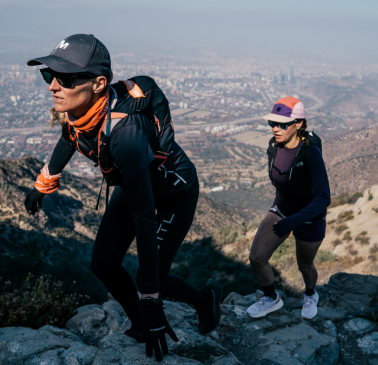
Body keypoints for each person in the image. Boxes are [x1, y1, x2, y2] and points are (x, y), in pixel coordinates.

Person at [23, 34, 222, 362]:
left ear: (99, 84)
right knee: (103, 262)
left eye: (65, 78)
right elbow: (68, 141)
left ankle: (205, 299)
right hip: (135, 184)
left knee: (151, 275)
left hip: (175, 191)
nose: (53, 86)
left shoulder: (125, 135)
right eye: (49, 74)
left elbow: (145, 219)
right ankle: (142, 323)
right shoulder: (79, 113)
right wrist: (42, 184)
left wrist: (152, 300)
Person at [246, 96, 331, 320]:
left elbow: (323, 198)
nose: (275, 128)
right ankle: (271, 298)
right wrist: (283, 217)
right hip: (282, 209)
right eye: (272, 123)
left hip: (310, 218)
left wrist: (292, 222)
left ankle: (311, 294)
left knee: (305, 265)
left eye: (282, 124)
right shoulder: (273, 146)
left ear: (299, 124)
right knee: (256, 258)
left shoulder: (310, 152)